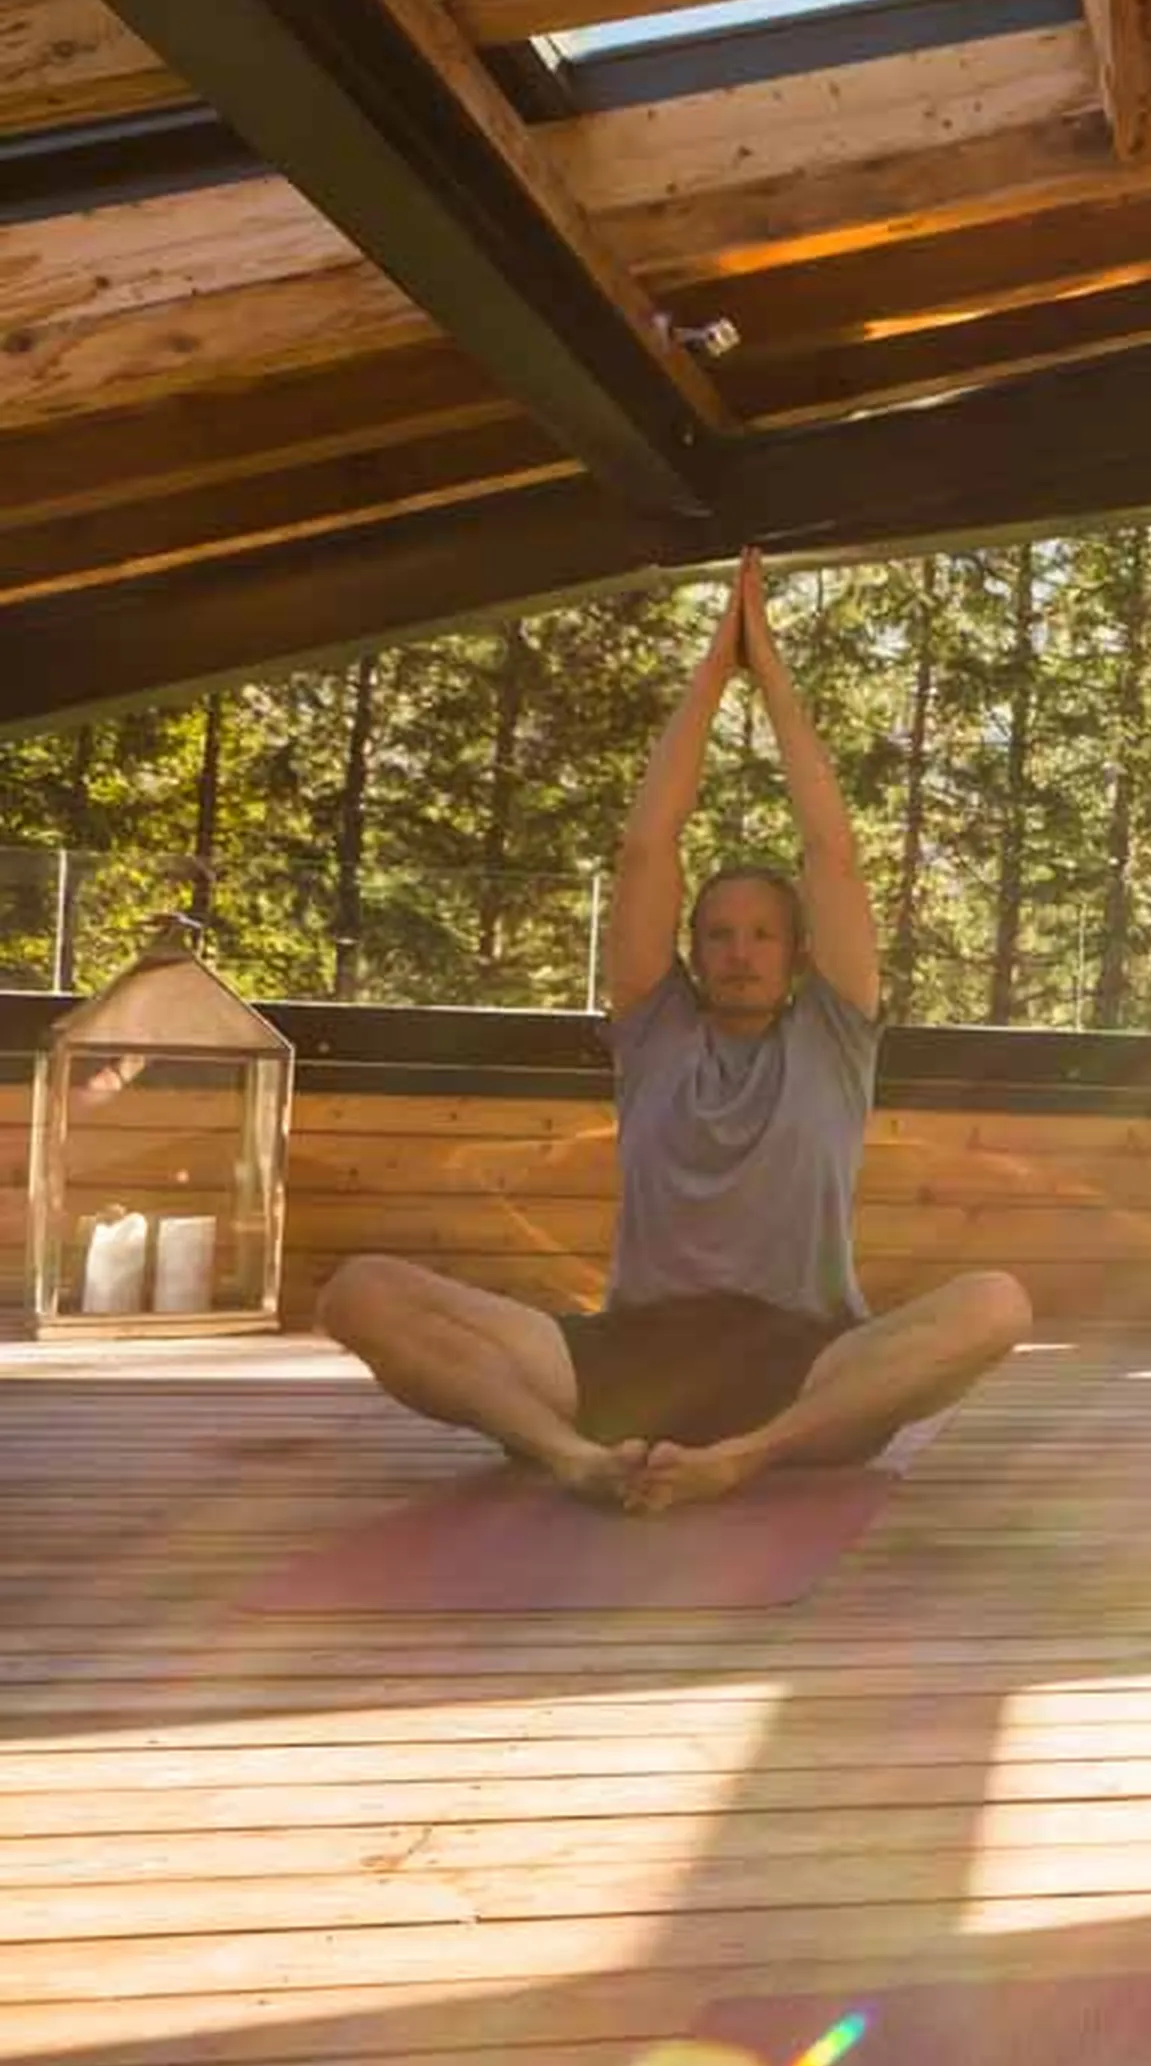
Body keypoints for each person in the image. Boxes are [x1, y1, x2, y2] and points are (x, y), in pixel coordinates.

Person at [316, 553, 1030, 1513]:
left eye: (765, 934)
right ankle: (572, 1456)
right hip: (632, 1362)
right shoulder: (655, 1032)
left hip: (802, 1359)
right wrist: (711, 668)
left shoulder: (834, 1034)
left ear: (799, 954)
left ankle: (748, 1455)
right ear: (689, 951)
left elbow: (835, 853)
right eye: (719, 934)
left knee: (999, 1303)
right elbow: (649, 844)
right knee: (359, 1292)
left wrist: (766, 663)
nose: (741, 952)